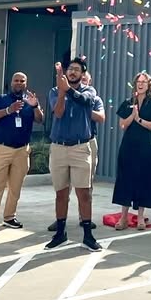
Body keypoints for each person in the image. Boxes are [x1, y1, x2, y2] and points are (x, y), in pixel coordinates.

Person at [46, 58, 105, 252]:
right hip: (59, 147)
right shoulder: (54, 92)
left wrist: (69, 90)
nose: (72, 72)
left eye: (76, 69)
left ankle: (88, 236)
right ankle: (60, 233)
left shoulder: (89, 91)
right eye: (70, 69)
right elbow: (58, 113)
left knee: (84, 194)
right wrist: (62, 92)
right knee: (61, 193)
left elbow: (85, 101)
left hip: (80, 148)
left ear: (82, 74)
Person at [0, 72, 44, 233]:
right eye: (16, 80)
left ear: (26, 83)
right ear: (11, 83)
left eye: (22, 81)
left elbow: (40, 119)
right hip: (3, 149)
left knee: (15, 187)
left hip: (22, 150)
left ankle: (9, 217)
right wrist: (8, 110)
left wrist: (35, 106)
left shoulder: (30, 101)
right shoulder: (1, 99)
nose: (19, 83)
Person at [112, 71, 151, 230]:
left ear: (148, 86)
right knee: (126, 180)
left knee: (143, 180)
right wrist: (132, 116)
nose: (140, 84)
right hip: (128, 147)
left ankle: (140, 217)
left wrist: (139, 119)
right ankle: (123, 217)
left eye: (144, 82)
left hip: (145, 147)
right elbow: (122, 125)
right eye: (138, 82)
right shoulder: (127, 103)